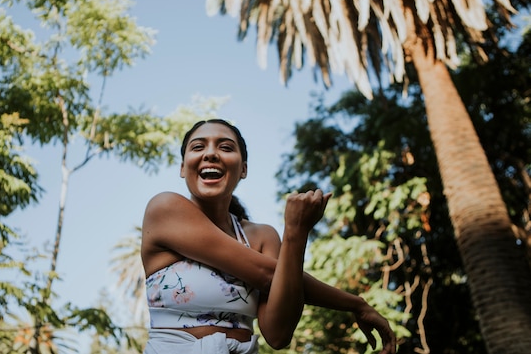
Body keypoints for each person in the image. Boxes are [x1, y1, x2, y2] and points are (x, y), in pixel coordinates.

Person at [141, 119, 396, 354]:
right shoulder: (164, 209)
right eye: (198, 147)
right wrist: (356, 304)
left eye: (226, 147)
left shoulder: (261, 236)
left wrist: (296, 234)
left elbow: (277, 334)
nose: (210, 153)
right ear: (183, 168)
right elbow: (270, 274)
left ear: (243, 169)